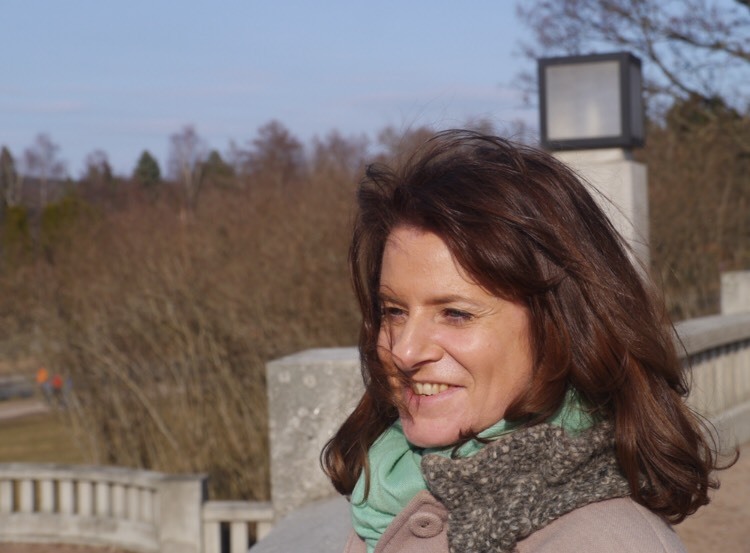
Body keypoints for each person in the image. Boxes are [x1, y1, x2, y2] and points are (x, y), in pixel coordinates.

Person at [321, 130, 726, 553]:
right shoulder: (384, 495)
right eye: (393, 311)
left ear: (559, 327)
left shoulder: (604, 542)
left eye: (456, 314)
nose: (404, 351)